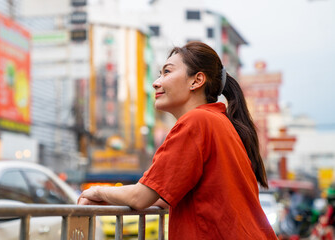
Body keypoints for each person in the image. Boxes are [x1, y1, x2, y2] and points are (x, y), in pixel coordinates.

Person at [78, 41, 277, 239]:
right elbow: (164, 197)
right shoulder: (218, 121)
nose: (156, 82)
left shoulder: (196, 121)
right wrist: (109, 199)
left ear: (196, 81)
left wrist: (95, 191)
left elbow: (139, 197)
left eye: (167, 72)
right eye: (159, 73)